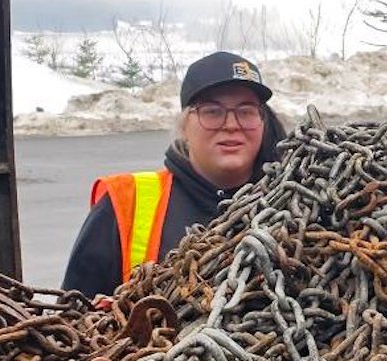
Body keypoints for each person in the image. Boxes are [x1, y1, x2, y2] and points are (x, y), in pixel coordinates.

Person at [62, 51, 286, 297]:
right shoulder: (124, 205)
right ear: (184, 126)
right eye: (212, 111)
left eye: (246, 111)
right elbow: (75, 318)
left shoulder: (290, 206)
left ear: (263, 122)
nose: (231, 125)